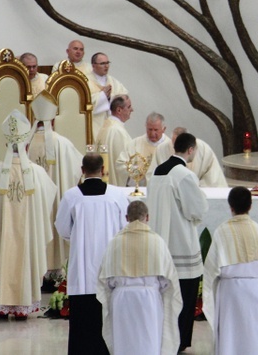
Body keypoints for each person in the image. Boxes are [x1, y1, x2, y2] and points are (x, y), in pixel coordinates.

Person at [0, 110, 56, 319]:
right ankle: (23, 307)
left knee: (2, 255)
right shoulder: (37, 173)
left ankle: (1, 307)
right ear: (26, 145)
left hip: (3, 236)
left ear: (6, 144)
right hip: (28, 234)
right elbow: (50, 196)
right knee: (26, 256)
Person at [55, 153, 129, 355]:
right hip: (110, 267)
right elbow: (126, 227)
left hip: (82, 268)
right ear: (103, 170)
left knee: (82, 322)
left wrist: (78, 237)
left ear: (82, 170)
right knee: (108, 319)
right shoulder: (116, 195)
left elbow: (62, 228)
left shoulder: (72, 196)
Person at [203, 187, 258, 355]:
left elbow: (211, 269)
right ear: (250, 206)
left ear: (230, 206)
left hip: (230, 292)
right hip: (255, 289)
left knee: (231, 339)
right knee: (256, 337)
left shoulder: (222, 231)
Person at [145, 132, 209, 353]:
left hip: (159, 244)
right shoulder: (184, 175)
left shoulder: (157, 172)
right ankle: (180, 341)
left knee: (164, 296)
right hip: (180, 243)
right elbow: (197, 210)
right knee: (184, 294)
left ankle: (162, 338)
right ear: (190, 150)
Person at [97, 201, 182, 355]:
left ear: (126, 217)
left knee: (124, 344)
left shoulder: (115, 242)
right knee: (149, 343)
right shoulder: (157, 241)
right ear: (147, 217)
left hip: (121, 299)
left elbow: (105, 280)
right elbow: (168, 280)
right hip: (149, 299)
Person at [28, 91, 84, 290]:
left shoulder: (27, 143)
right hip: (56, 200)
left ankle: (39, 273)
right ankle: (56, 273)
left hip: (35, 201)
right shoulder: (61, 143)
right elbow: (77, 171)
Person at [162, 126, 227, 187]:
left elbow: (212, 177)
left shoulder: (203, 148)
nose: (178, 147)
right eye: (175, 143)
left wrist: (194, 185)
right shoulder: (163, 148)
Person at [117, 112, 171, 186]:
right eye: (150, 129)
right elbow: (120, 163)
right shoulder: (135, 144)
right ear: (146, 127)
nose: (152, 133)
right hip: (137, 188)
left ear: (163, 129)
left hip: (159, 188)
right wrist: (134, 170)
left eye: (156, 130)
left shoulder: (170, 146)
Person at [87, 52, 129, 137]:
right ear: (93, 65)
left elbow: (125, 99)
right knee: (97, 149)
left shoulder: (114, 82)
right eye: (102, 63)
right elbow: (84, 105)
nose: (106, 66)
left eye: (107, 63)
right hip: (93, 125)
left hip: (111, 126)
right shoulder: (85, 82)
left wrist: (111, 98)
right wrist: (103, 96)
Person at [95, 95, 133, 186]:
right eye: (129, 107)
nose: (132, 110)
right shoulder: (117, 131)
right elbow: (123, 165)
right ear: (119, 110)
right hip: (115, 184)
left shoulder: (105, 127)